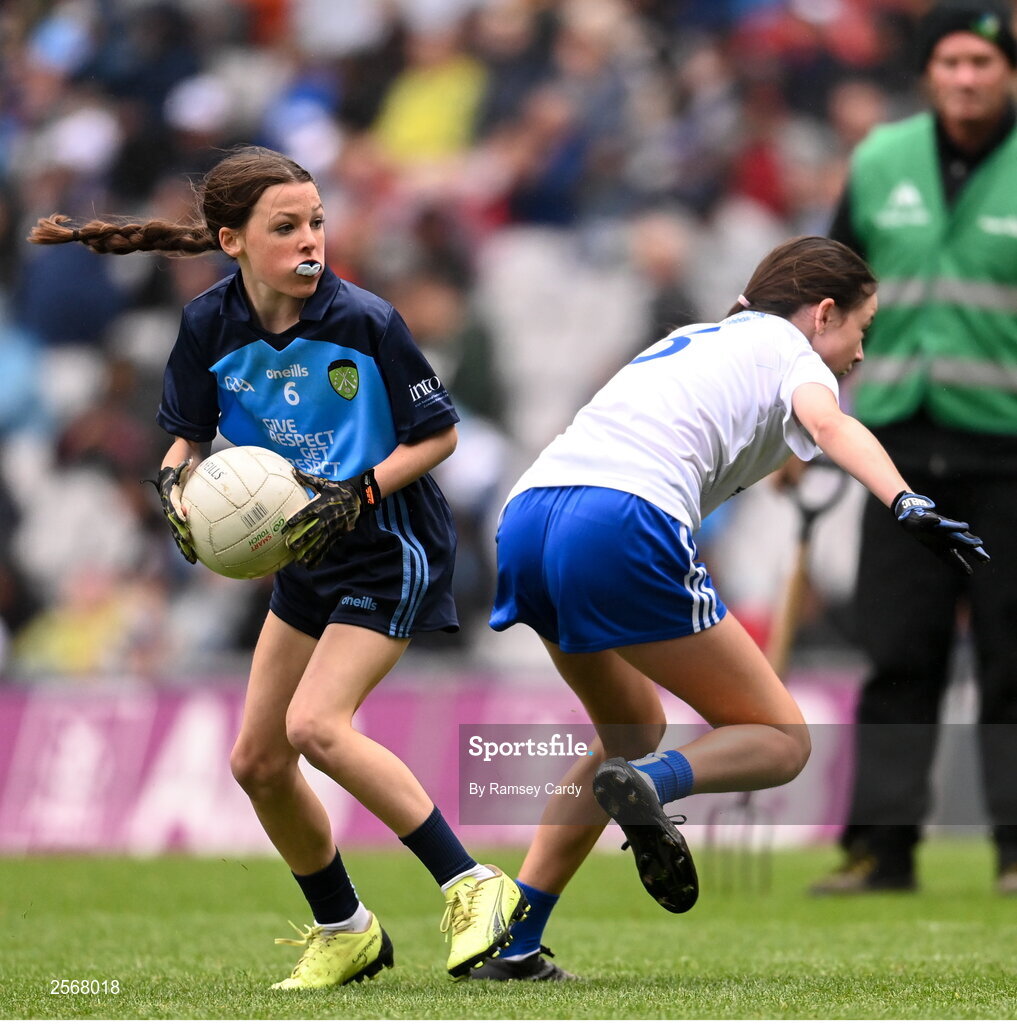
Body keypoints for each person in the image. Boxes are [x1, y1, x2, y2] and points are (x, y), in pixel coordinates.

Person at [27, 145, 527, 987]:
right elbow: (187, 434)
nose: (310, 242)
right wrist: (177, 485)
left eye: (318, 223)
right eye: (285, 227)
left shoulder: (364, 320)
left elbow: (438, 435)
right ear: (232, 241)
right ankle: (346, 928)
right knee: (257, 761)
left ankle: (474, 884)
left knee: (314, 727)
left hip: (387, 539)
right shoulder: (206, 326)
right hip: (304, 551)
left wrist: (357, 493)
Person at [469, 235, 989, 982]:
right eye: (859, 332)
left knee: (627, 731)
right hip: (620, 521)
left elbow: (725, 425)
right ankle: (653, 785)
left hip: (527, 518)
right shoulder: (794, 354)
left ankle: (514, 944)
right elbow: (832, 424)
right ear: (823, 313)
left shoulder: (697, 337)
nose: (860, 356)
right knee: (779, 740)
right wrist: (903, 498)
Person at [810, 0, 1017, 897]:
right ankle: (879, 851)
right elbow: (824, 292)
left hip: (1009, 453)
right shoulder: (880, 158)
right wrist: (799, 415)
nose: (965, 78)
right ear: (928, 72)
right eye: (950, 63)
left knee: (1014, 657)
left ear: (1006, 70)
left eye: (981, 62)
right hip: (894, 446)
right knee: (898, 653)